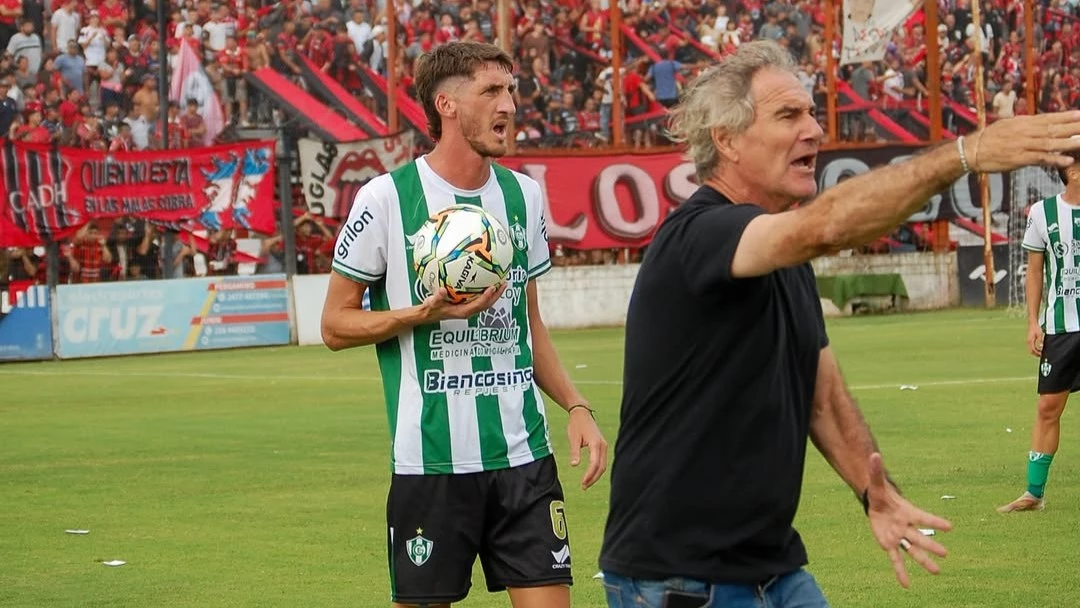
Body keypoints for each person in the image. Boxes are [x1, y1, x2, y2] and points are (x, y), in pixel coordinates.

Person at [598, 39, 1080, 608]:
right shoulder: (699, 234)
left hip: (771, 566)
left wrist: (876, 494)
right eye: (788, 115)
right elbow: (825, 228)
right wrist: (963, 154)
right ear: (726, 140)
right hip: (676, 577)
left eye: (810, 112)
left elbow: (823, 399)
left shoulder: (786, 257)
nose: (813, 130)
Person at [320, 41, 607, 608]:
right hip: (430, 462)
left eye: (511, 91)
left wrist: (577, 406)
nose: (510, 105)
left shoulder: (524, 196)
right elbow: (334, 324)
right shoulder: (386, 198)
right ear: (446, 104)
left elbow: (529, 324)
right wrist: (420, 314)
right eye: (491, 91)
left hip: (524, 457)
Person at [998, 146, 1080, 513]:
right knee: (1048, 407)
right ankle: (1033, 493)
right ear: (1072, 172)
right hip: (1061, 326)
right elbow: (1035, 270)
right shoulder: (1042, 213)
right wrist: (1033, 321)